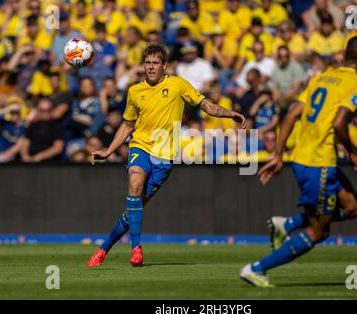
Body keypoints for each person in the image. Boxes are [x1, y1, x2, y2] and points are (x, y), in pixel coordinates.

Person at [88, 44, 246, 267]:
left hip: (164, 156)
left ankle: (103, 249)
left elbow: (206, 105)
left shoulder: (178, 84)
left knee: (134, 209)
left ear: (164, 66)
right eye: (147, 63)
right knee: (134, 183)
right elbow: (127, 125)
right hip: (140, 146)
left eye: (155, 63)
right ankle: (136, 248)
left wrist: (230, 114)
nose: (151, 67)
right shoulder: (134, 91)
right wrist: (108, 150)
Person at [240, 36, 357, 287]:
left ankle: (286, 224)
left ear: (343, 56)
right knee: (319, 231)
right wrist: (353, 153)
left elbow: (290, 115)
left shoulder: (321, 77)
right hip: (319, 163)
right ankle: (257, 268)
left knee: (353, 207)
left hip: (300, 158)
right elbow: (340, 123)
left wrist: (278, 154)